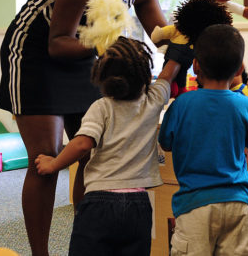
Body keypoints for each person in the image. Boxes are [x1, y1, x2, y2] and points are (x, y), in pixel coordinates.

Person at [0, 0, 166, 256]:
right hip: (36, 54)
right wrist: (109, 45)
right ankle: (39, 252)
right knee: (46, 158)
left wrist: (198, 31)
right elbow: (59, 44)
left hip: (87, 55)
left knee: (93, 154)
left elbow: (162, 35)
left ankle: (87, 243)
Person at [35, 36, 182, 255]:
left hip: (100, 202)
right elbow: (167, 76)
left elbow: (83, 143)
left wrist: (53, 164)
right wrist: (180, 48)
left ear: (101, 76)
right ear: (144, 74)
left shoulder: (101, 107)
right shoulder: (152, 101)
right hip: (140, 204)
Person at [159, 24, 248, 255]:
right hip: (238, 203)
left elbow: (165, 143)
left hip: (195, 205)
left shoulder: (181, 105)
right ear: (239, 69)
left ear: (195, 65)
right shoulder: (245, 105)